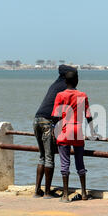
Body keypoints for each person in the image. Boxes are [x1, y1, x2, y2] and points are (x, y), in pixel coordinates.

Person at [52, 71, 99, 202]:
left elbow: (55, 116)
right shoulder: (82, 95)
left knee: (64, 163)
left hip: (64, 131)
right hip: (77, 131)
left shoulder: (60, 95)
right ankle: (84, 193)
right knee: (80, 162)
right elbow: (88, 115)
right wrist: (92, 132)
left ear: (65, 82)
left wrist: (54, 130)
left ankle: (65, 195)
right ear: (77, 81)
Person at [33, 64, 77, 199]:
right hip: (47, 122)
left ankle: (37, 191)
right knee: (49, 157)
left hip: (37, 120)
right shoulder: (66, 87)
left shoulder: (54, 85)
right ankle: (47, 192)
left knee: (42, 156)